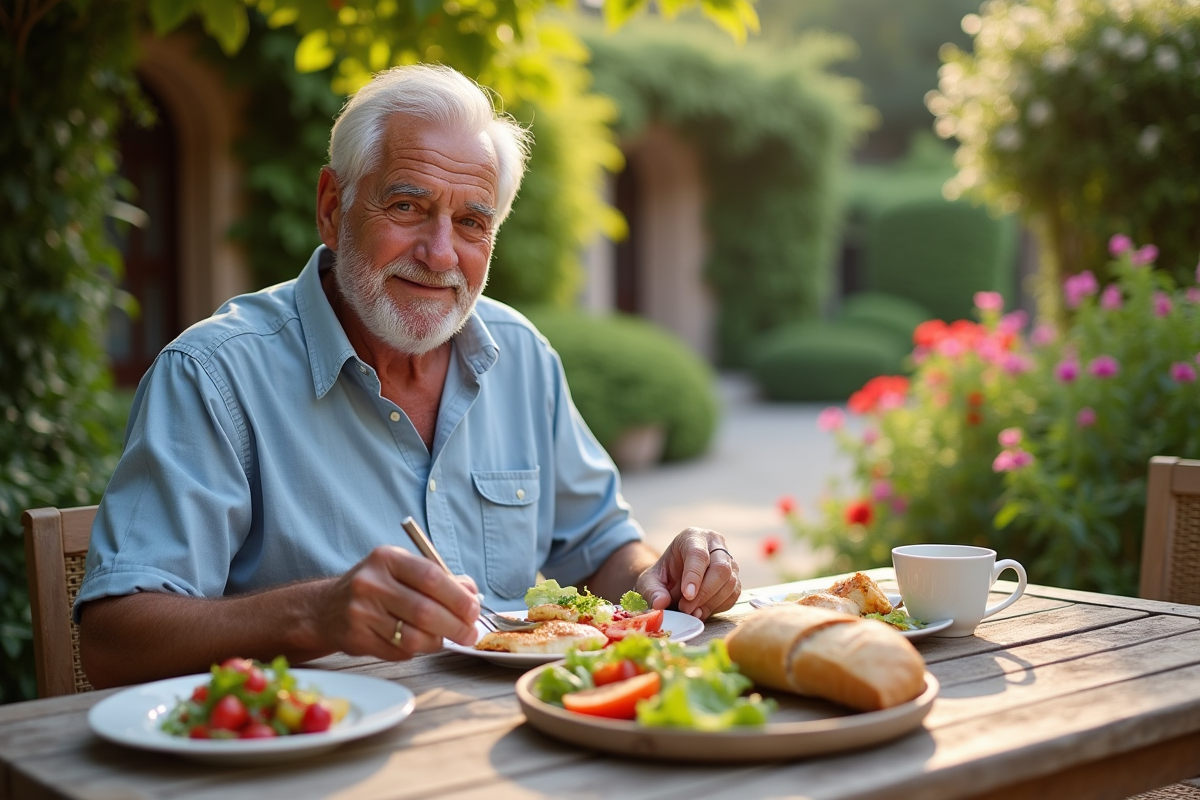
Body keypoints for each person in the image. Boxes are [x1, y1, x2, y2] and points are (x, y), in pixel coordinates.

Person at [76, 64, 741, 689]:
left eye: (473, 222)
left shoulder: (521, 356)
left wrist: (660, 578)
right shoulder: (214, 376)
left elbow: (601, 547)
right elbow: (111, 643)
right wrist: (315, 614)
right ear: (333, 207)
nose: (440, 253)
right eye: (407, 207)